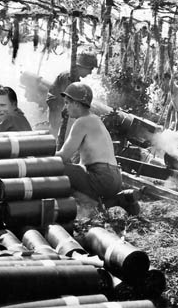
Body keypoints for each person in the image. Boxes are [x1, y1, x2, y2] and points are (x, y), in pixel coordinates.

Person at [55, 82, 140, 215]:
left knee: (58, 169)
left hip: (102, 177)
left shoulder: (81, 122)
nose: (65, 107)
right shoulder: (95, 120)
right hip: (114, 178)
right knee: (72, 170)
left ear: (77, 103)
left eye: (67, 103)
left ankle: (94, 208)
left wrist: (42, 158)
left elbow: (63, 157)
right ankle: (114, 202)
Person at [46, 52, 98, 136]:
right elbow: (66, 100)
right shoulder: (68, 77)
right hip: (58, 113)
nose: (90, 72)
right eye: (90, 69)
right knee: (58, 137)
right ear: (82, 66)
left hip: (61, 112)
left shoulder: (74, 78)